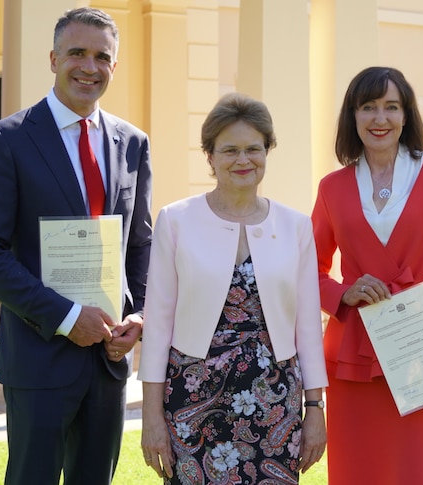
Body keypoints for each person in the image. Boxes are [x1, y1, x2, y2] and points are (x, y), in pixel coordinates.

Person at [0, 7, 152, 485]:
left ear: (114, 65)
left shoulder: (133, 143)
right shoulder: (6, 140)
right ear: (52, 58)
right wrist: (67, 317)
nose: (89, 66)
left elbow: (141, 244)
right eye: (77, 53)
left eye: (102, 56)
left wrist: (141, 315)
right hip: (39, 356)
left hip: (109, 358)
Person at [138, 92, 328, 484]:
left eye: (253, 149)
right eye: (230, 150)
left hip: (276, 401)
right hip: (192, 397)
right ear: (209, 156)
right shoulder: (175, 221)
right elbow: (157, 326)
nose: (243, 160)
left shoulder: (296, 227)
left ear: (267, 152)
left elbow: (308, 328)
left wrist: (315, 410)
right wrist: (151, 416)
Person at [311, 66, 423, 484]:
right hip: (351, 356)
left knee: (411, 470)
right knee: (352, 471)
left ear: (406, 116)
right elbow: (308, 271)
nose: (379, 118)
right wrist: (343, 294)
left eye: (391, 107)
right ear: (353, 115)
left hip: (421, 348)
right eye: (368, 107)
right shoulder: (331, 187)